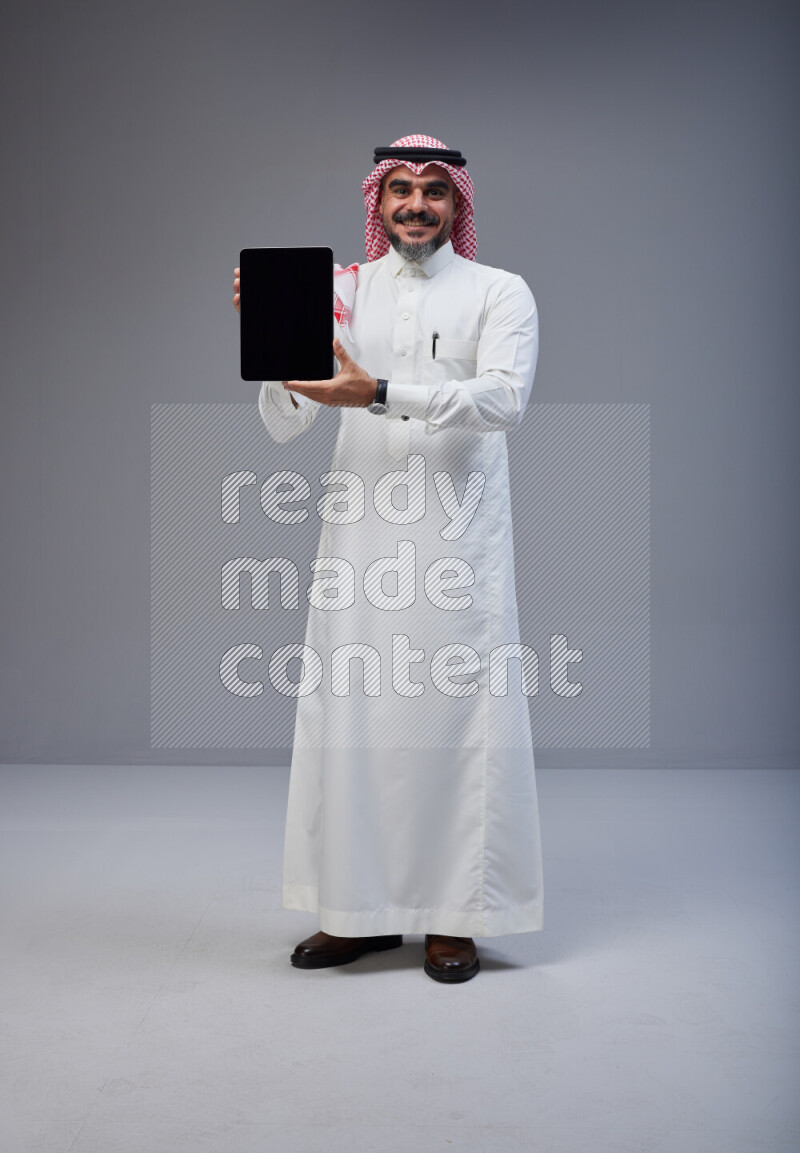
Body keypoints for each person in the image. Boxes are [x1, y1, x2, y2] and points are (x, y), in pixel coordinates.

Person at [232, 134, 542, 983]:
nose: (415, 204)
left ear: (457, 204)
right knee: (354, 720)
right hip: (359, 539)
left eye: (433, 190)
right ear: (378, 202)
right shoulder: (341, 290)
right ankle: (355, 911)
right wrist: (273, 340)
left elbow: (503, 400)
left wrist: (376, 392)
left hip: (457, 543)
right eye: (399, 188)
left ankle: (453, 917)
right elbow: (288, 423)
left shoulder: (499, 291)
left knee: (453, 722)